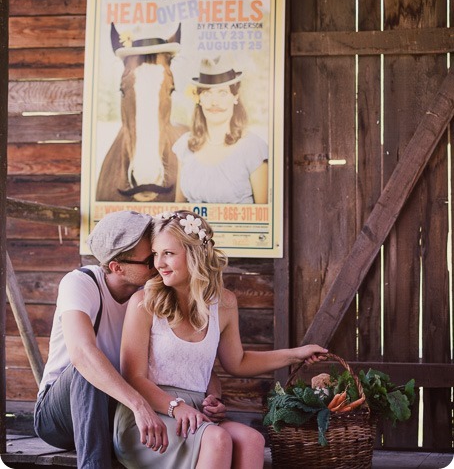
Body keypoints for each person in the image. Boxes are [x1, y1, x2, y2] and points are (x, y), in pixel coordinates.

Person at [113, 210, 328, 469]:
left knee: (251, 440)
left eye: (168, 253)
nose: (159, 263)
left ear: (194, 254)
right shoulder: (144, 303)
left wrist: (297, 354)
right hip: (149, 417)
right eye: (156, 254)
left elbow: (237, 362)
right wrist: (176, 407)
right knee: (217, 438)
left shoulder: (224, 303)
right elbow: (133, 376)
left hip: (196, 414)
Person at [34, 210, 224, 469]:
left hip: (116, 411)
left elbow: (185, 353)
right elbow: (81, 354)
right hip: (60, 415)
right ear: (117, 267)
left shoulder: (152, 297)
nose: (158, 264)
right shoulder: (80, 283)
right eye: (150, 259)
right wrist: (139, 405)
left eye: (161, 254)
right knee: (87, 371)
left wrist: (210, 396)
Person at [173, 57, 268, 204]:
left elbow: (264, 217)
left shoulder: (253, 147)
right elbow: (178, 212)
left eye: (222, 93)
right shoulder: (185, 145)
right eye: (207, 93)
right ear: (199, 99)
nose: (214, 102)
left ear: (235, 97)